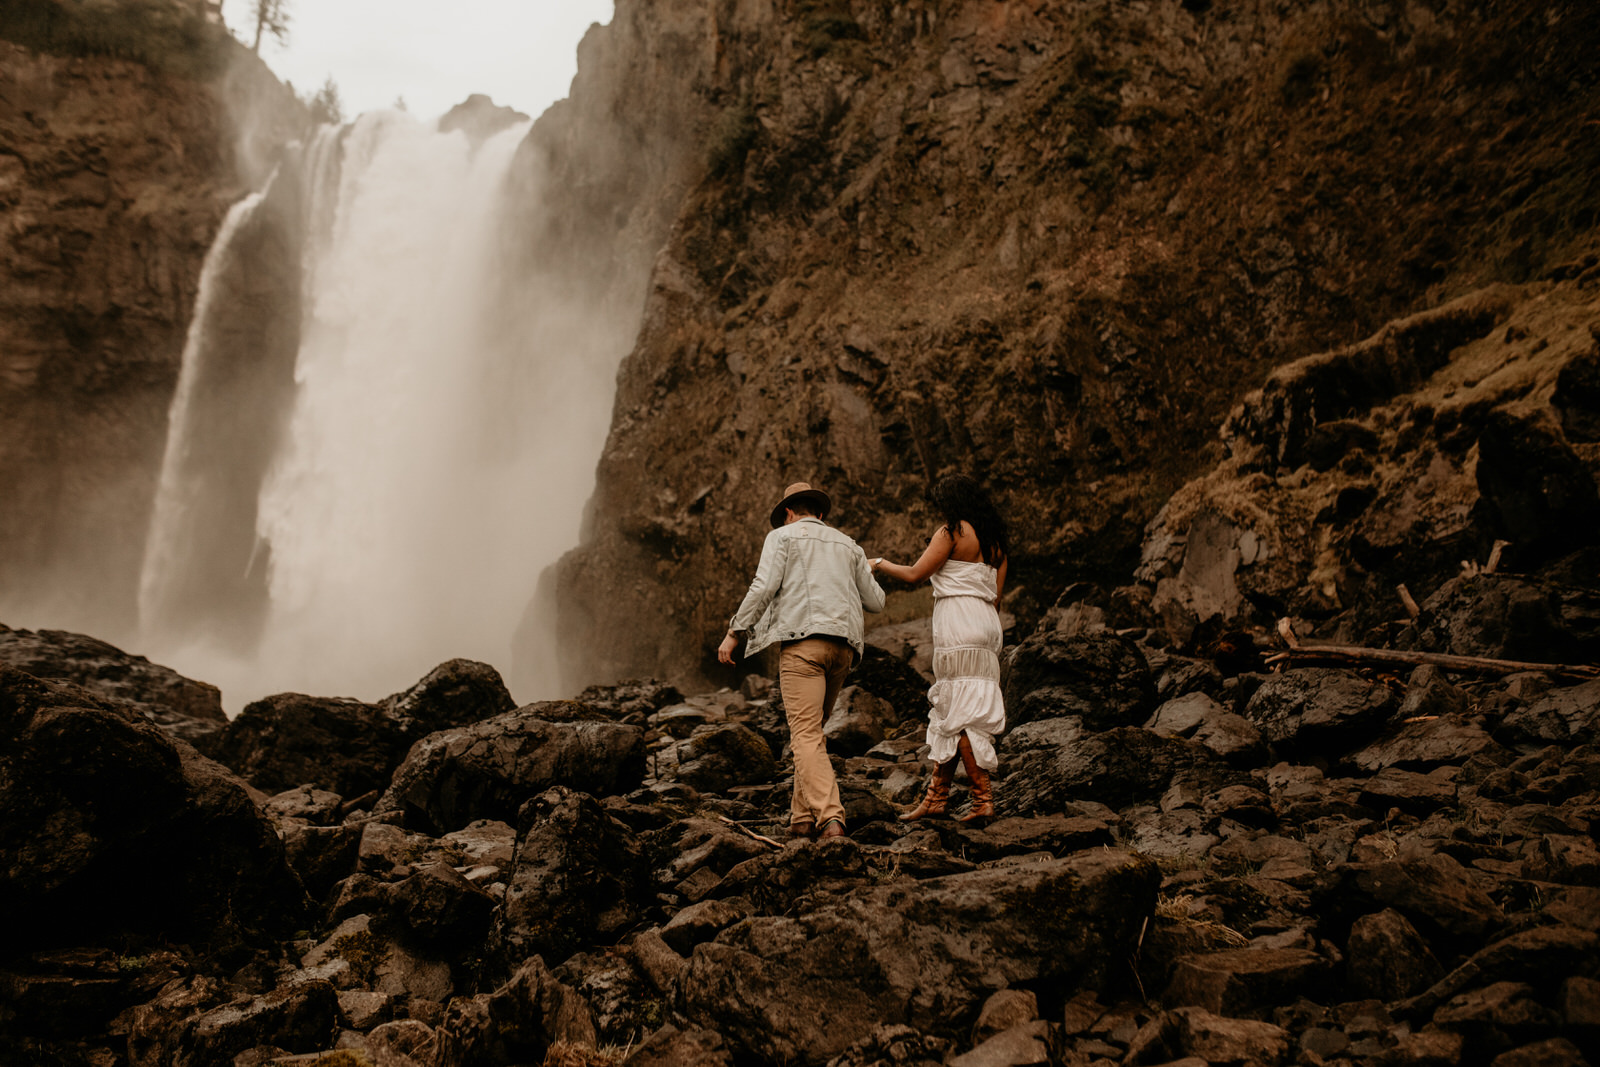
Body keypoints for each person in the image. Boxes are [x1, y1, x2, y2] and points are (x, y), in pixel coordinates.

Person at [719, 481, 886, 840]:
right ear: (820, 513)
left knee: (805, 736)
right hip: (843, 650)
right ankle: (801, 819)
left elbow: (763, 587)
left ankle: (831, 819)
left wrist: (735, 632)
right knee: (811, 734)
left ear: (789, 513)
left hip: (802, 646)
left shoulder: (781, 537)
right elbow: (876, 603)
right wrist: (867, 570)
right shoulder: (848, 545)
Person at [869, 473, 1008, 823]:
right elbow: (997, 598)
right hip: (987, 625)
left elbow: (916, 574)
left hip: (958, 622)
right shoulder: (996, 542)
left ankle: (982, 800)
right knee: (960, 711)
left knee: (958, 712)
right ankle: (936, 799)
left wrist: (878, 564)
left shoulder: (952, 531)